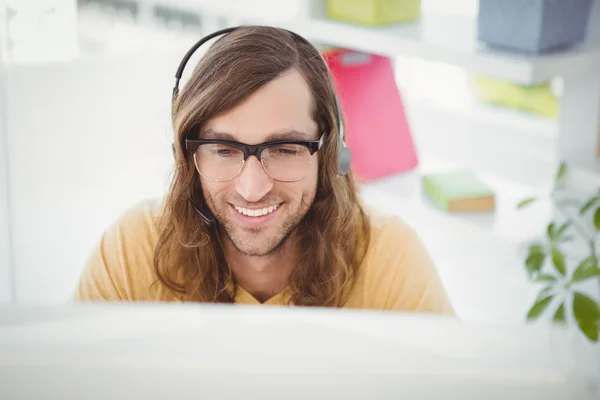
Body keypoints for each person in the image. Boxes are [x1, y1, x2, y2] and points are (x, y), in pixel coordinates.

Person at [71, 25, 454, 314]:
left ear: (330, 151)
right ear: (187, 156)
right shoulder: (132, 247)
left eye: (285, 148)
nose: (252, 189)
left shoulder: (390, 256)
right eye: (222, 149)